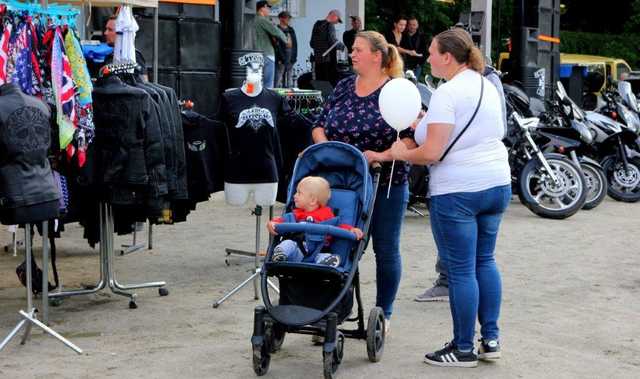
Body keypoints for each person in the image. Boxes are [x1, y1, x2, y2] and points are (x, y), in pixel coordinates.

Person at [390, 28, 510, 367]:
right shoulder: (488, 84)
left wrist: (401, 152)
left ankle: (462, 348)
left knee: (460, 270)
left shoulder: (447, 92)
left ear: (447, 57)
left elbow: (432, 152)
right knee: (485, 261)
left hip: (458, 190)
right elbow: (491, 132)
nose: (427, 57)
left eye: (431, 52)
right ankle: (490, 338)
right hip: (496, 182)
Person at [312, 31, 414, 334]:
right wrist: (327, 148)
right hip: (342, 183)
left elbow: (410, 139)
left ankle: (384, 313)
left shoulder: (397, 90)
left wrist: (380, 155)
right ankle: (333, 311)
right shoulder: (344, 86)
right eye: (351, 50)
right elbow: (319, 124)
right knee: (339, 244)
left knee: (385, 249)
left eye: (357, 50)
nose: (351, 54)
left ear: (377, 56)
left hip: (386, 182)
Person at [267, 176, 363, 267]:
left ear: (312, 200)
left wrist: (351, 229)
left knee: (325, 255)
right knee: (288, 243)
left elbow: (340, 226)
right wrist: (273, 223)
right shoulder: (297, 214)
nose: (294, 195)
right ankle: (280, 254)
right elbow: (282, 220)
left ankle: (327, 261)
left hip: (318, 252)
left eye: (299, 193)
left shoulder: (327, 215)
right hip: (297, 251)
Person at [255, 1, 288, 88]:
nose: (269, 10)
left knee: (255, 83)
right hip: (267, 54)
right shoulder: (262, 20)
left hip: (255, 54)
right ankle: (266, 101)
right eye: (268, 8)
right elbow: (276, 31)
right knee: (268, 85)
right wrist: (286, 39)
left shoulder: (253, 20)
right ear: (263, 8)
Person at [310, 9, 345, 86]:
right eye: (337, 20)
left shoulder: (317, 24)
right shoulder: (330, 25)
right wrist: (343, 47)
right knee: (329, 84)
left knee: (320, 84)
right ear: (333, 16)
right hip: (328, 61)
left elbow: (312, 43)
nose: (336, 22)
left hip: (318, 60)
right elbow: (332, 41)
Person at [274, 11, 297, 88]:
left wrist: (294, 57)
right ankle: (275, 96)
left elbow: (295, 44)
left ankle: (288, 97)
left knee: (289, 79)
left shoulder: (291, 30)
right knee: (278, 78)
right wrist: (279, 58)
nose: (288, 20)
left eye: (289, 18)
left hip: (291, 57)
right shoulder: (276, 29)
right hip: (281, 57)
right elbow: (276, 46)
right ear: (281, 19)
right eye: (286, 18)